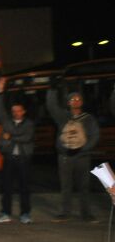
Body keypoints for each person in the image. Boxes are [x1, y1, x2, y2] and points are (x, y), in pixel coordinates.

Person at [47, 89, 100, 222]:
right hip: (65, 156)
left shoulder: (88, 118)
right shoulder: (62, 116)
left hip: (82, 156)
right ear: (68, 103)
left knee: (84, 186)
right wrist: (52, 90)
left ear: (82, 102)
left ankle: (86, 213)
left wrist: (83, 149)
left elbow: (95, 136)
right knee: (66, 185)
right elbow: (51, 106)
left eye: (78, 99)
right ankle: (65, 212)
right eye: (72, 99)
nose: (75, 102)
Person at [0, 77, 35, 224]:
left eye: (18, 111)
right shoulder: (7, 121)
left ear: (23, 111)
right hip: (9, 158)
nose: (16, 113)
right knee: (7, 188)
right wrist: (0, 92)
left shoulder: (29, 124)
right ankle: (5, 213)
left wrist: (10, 136)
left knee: (24, 187)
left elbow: (27, 137)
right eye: (13, 111)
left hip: (24, 159)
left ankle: (25, 214)